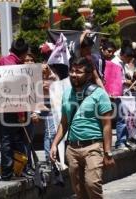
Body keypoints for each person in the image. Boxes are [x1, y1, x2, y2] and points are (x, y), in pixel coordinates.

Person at [50, 56, 115, 199]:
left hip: (93, 147)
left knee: (92, 184)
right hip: (72, 149)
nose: (73, 75)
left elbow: (107, 125)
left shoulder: (99, 94)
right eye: (72, 71)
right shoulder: (67, 94)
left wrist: (108, 152)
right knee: (79, 190)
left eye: (78, 72)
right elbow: (64, 122)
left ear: (89, 74)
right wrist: (54, 144)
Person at [0, 38, 31, 180]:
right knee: (15, 140)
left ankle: (8, 171)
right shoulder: (16, 67)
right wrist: (21, 113)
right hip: (14, 109)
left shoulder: (2, 61)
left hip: (2, 107)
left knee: (6, 139)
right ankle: (14, 171)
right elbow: (17, 92)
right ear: (22, 53)